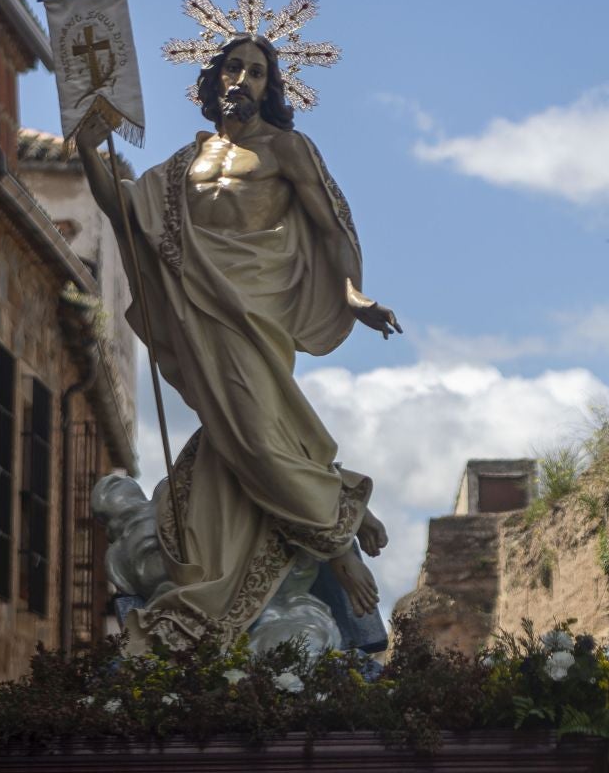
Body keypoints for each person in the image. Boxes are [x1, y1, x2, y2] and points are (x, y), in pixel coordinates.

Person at [76, 32, 398, 651]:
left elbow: (331, 230)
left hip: (257, 311)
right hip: (201, 307)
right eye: (232, 68)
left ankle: (339, 540)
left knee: (255, 430)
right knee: (238, 438)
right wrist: (91, 145)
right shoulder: (179, 170)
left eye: (255, 72)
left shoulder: (287, 149)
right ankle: (322, 533)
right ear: (212, 80)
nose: (241, 80)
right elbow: (121, 210)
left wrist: (353, 296)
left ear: (269, 88)